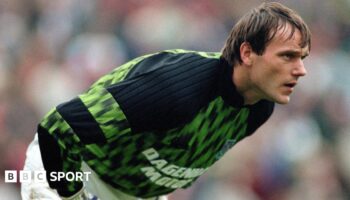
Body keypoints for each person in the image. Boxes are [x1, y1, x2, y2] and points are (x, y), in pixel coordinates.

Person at [21, 2, 311, 200]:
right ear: (247, 54)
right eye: (287, 56)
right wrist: (72, 193)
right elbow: (58, 130)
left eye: (302, 58)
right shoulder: (177, 88)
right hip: (72, 167)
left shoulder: (260, 108)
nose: (300, 70)